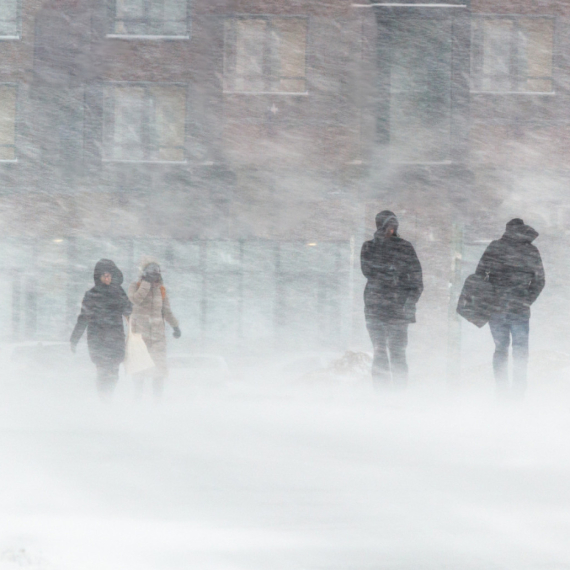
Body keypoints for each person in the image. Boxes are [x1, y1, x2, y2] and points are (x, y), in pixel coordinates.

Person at [475, 218, 545, 396]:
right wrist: (526, 298)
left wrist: (490, 295)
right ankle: (519, 389)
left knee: (501, 348)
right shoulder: (530, 250)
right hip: (519, 308)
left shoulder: (495, 247)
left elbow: (479, 275)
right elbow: (539, 280)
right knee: (520, 349)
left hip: (496, 308)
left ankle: (501, 389)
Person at [361, 210, 423, 388]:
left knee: (397, 353)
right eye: (388, 226)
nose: (391, 230)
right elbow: (368, 271)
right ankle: (382, 393)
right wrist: (391, 271)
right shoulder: (369, 247)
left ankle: (399, 393)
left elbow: (417, 280)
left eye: (394, 226)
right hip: (375, 309)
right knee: (380, 351)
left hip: (397, 310)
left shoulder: (405, 247)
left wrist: (409, 302)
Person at [70, 259, 132, 397]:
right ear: (99, 276)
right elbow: (83, 318)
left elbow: (129, 311)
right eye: (104, 275)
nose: (107, 277)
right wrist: (74, 338)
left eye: (109, 275)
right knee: (103, 371)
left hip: (115, 339)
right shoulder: (91, 295)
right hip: (98, 340)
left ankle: (108, 397)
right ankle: (104, 399)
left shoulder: (118, 293)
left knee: (114, 372)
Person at [128, 258, 181, 398]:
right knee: (139, 371)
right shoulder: (135, 285)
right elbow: (136, 299)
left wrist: (175, 326)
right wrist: (145, 284)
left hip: (158, 338)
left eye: (157, 272)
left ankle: (157, 402)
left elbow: (166, 310)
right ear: (145, 273)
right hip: (140, 337)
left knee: (159, 372)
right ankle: (137, 400)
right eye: (151, 272)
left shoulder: (161, 290)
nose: (155, 276)